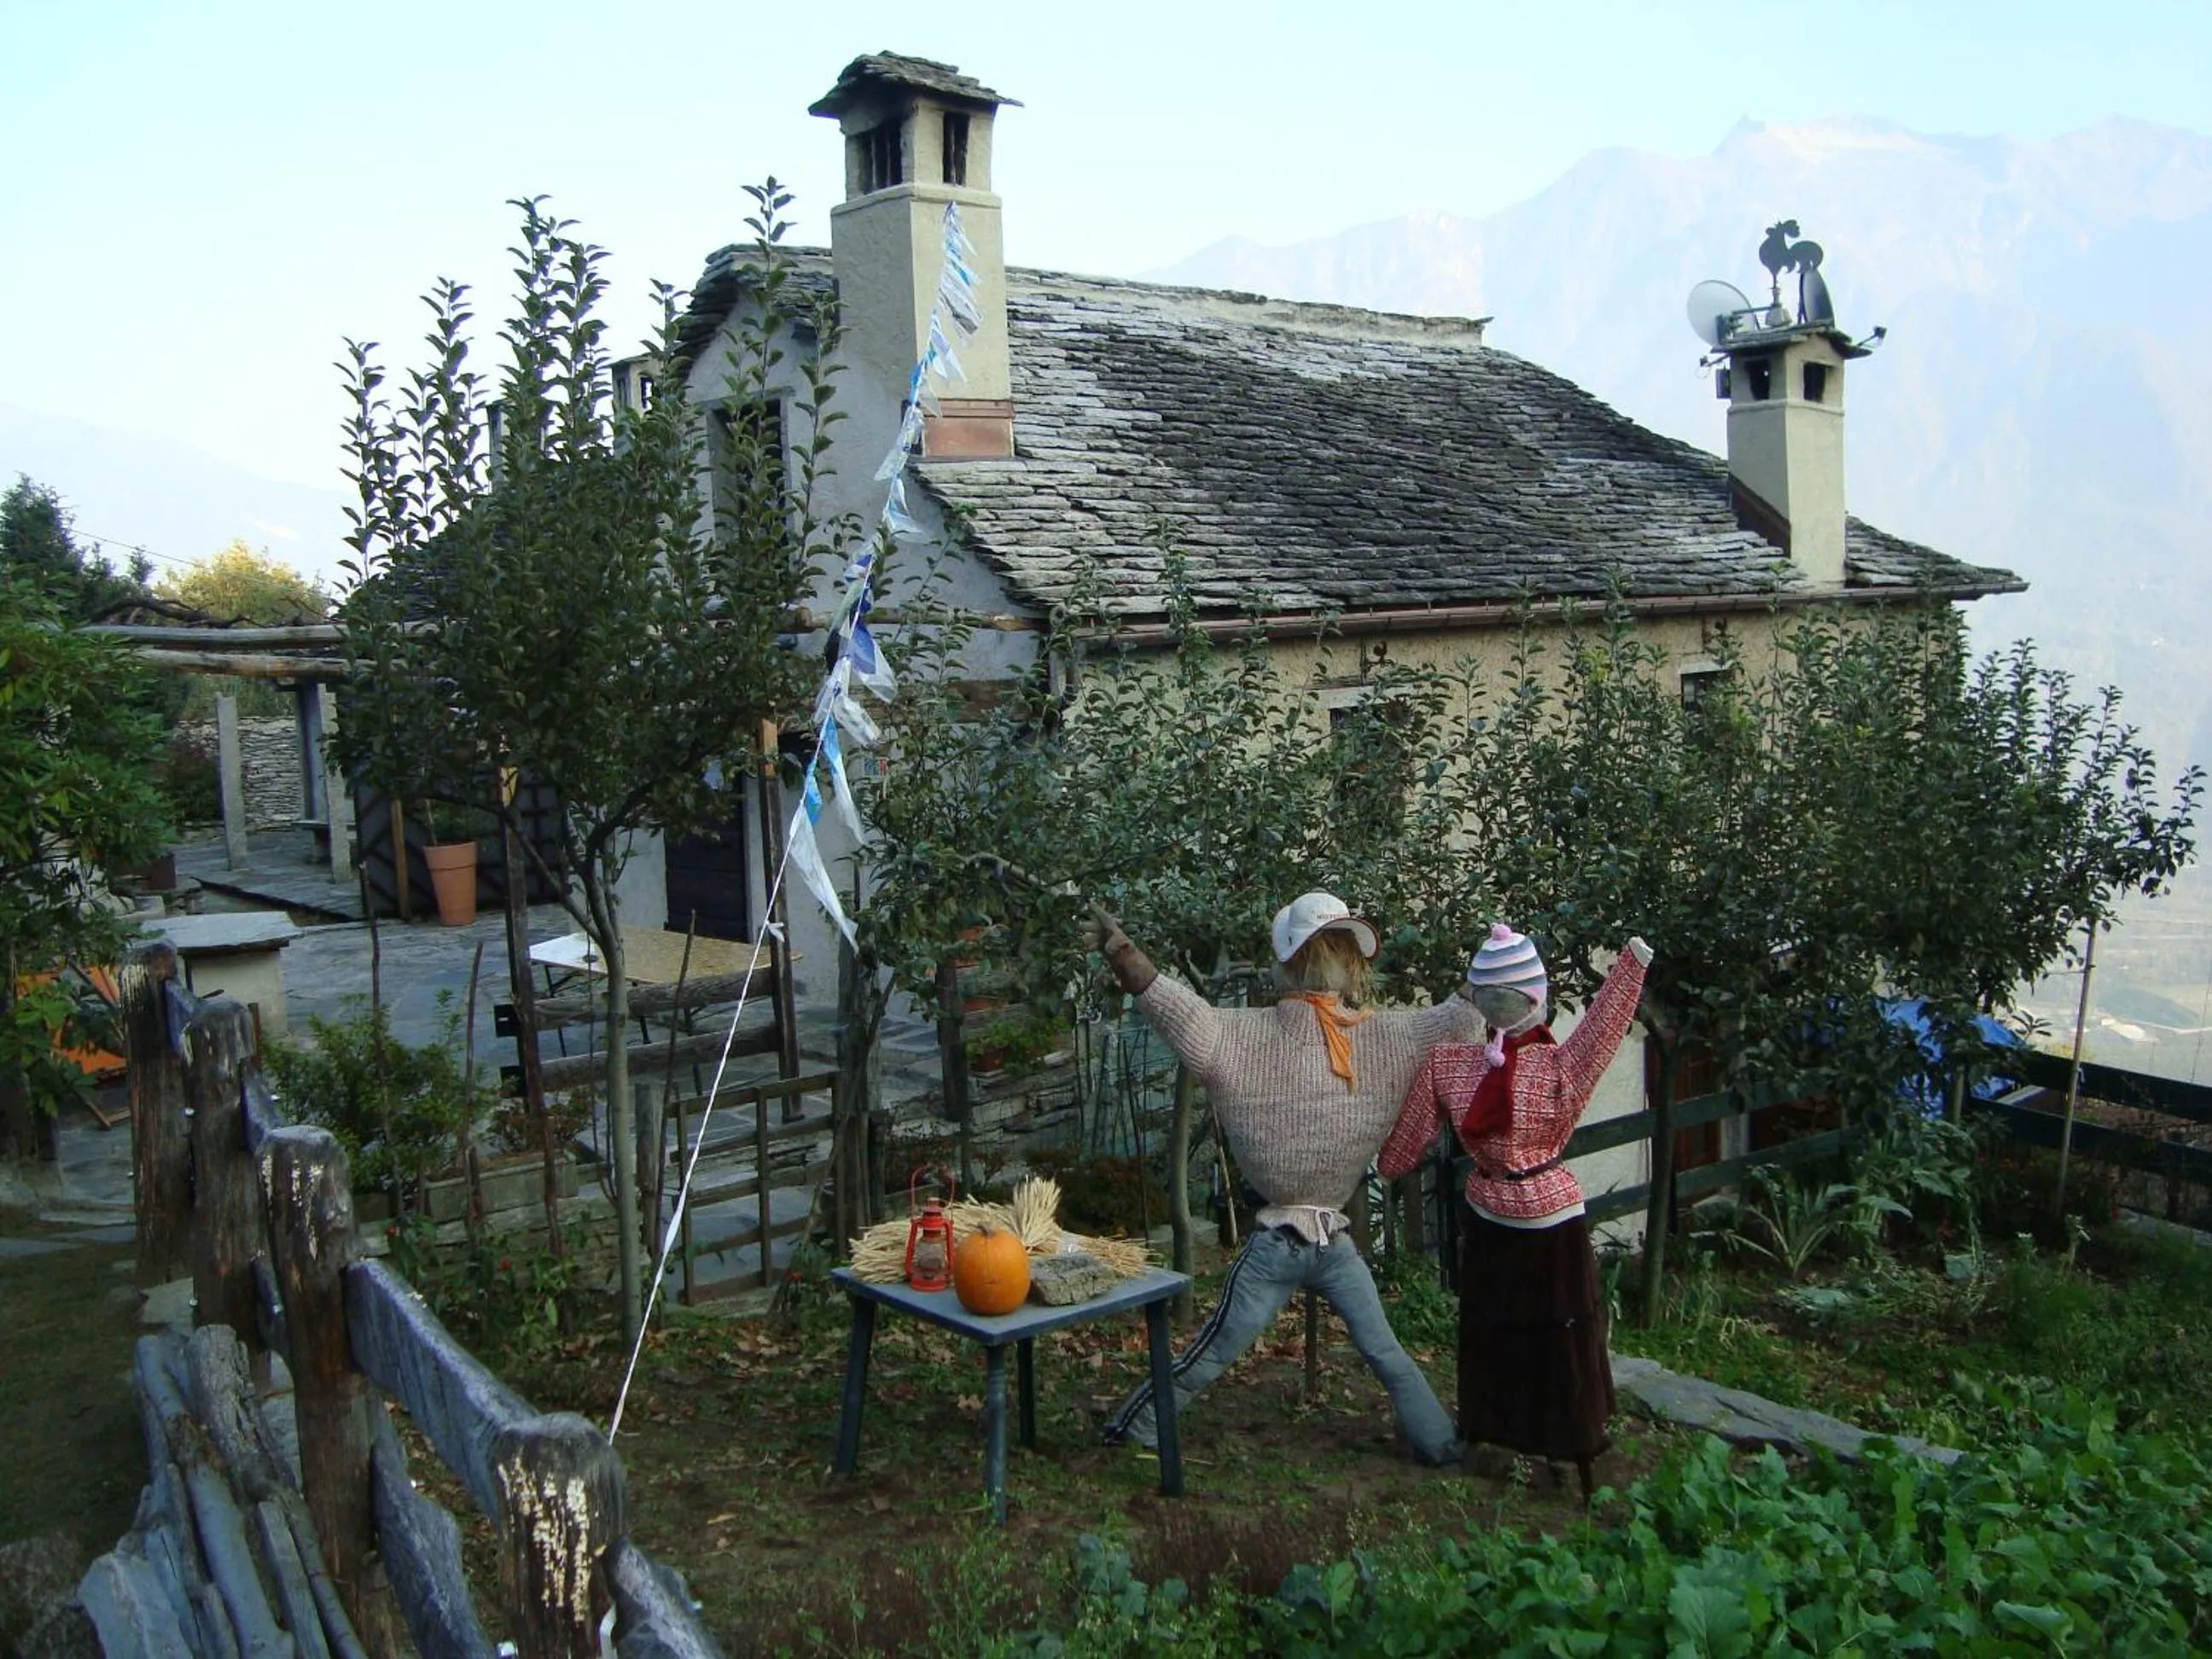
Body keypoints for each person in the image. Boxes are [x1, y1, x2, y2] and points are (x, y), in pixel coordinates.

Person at [1091, 891, 1481, 1464]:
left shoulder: (1238, 1036)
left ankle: (1135, 1428)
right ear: (1352, 963)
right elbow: (1458, 1019)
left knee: (1214, 1350)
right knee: (1386, 1353)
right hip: (1332, 1241)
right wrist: (1492, 967)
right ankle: (1443, 1446)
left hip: (1284, 1244)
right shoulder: (1392, 1038)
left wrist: (1124, 953)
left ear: (1284, 961)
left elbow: (1170, 1005)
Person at [1380, 923, 1652, 1498]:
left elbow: (1403, 1149)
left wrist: (1381, 1163)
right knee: (1553, 1335)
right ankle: (1562, 1443)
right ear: (1539, 997)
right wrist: (1630, 965)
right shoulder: (1557, 1065)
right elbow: (1605, 1025)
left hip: (1501, 1216)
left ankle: (1508, 1433)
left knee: (1500, 1332)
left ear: (1478, 997)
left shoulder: (1452, 1065)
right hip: (1536, 1217)